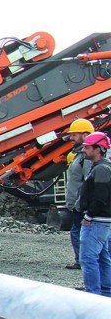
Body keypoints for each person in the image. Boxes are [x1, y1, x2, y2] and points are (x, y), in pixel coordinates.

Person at [78, 132, 111, 296]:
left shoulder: (102, 169)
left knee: (88, 258)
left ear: (98, 149)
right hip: (101, 221)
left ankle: (93, 295)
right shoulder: (101, 167)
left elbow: (100, 197)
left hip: (96, 221)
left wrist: (88, 216)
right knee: (103, 258)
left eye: (87, 147)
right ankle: (105, 294)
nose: (84, 150)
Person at [63, 118, 95, 269]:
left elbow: (88, 181)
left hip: (80, 204)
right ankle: (82, 260)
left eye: (74, 135)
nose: (71, 138)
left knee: (79, 233)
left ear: (85, 135)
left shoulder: (86, 157)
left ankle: (82, 261)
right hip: (78, 203)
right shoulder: (79, 155)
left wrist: (80, 204)